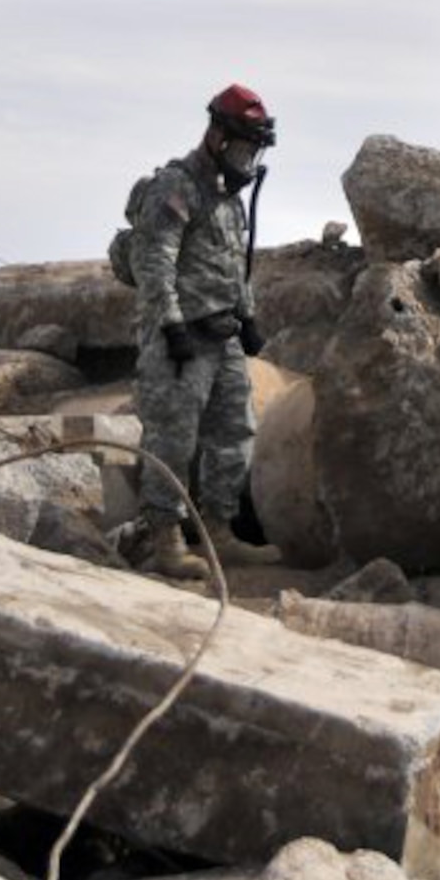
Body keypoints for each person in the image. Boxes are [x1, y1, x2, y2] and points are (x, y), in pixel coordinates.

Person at [124, 84, 283, 579]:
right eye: (243, 147)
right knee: (173, 436)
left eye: (254, 150)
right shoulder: (177, 186)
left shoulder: (227, 198)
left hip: (223, 335)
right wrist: (170, 327)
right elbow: (155, 263)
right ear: (217, 136)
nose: (248, 159)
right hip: (182, 337)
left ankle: (219, 531)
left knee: (235, 431)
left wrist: (249, 317)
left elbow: (234, 265)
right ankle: (165, 538)